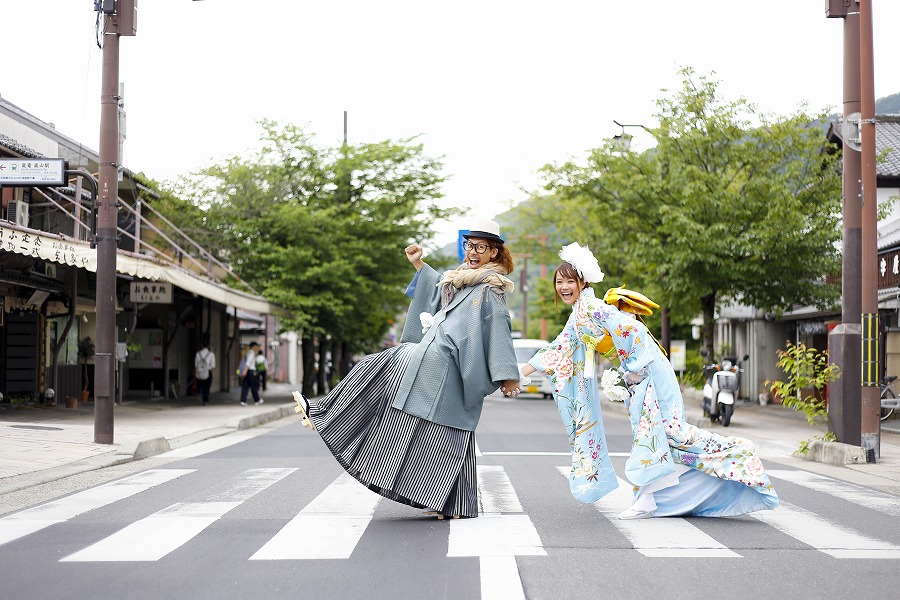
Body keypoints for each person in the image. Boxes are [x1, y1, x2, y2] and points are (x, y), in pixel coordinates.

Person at [520, 242, 779, 519]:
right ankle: (649, 499)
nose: (563, 287)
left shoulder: (593, 308)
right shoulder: (580, 313)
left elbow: (631, 329)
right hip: (641, 370)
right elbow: (559, 348)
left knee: (664, 431)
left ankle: (738, 455)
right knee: (654, 433)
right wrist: (520, 373)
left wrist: (633, 369)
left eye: (569, 281)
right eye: (559, 282)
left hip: (647, 369)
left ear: (583, 282)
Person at [293, 219, 522, 519]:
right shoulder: (463, 280)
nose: (473, 252)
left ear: (494, 252)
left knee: (379, 366)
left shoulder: (491, 288)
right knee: (444, 433)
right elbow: (436, 291)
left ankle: (324, 413)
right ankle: (455, 503)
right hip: (438, 360)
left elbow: (499, 327)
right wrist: (419, 265)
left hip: (448, 362)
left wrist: (508, 376)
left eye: (481, 247)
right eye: (470, 245)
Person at [240, 342, 264, 406]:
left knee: (245, 386)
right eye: (256, 346)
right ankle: (257, 400)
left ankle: (243, 400)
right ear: (253, 346)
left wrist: (245, 371)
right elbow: (248, 363)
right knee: (254, 386)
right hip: (251, 371)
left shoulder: (248, 352)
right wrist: (245, 371)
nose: (257, 348)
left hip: (248, 371)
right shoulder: (252, 353)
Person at [194, 335, 216, 406]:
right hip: (208, 372)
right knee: (207, 387)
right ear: (208, 345)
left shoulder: (198, 354)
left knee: (201, 385)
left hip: (200, 371)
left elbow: (196, 365)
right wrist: (212, 374)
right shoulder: (211, 354)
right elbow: (213, 366)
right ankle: (205, 400)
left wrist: (196, 374)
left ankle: (200, 394)